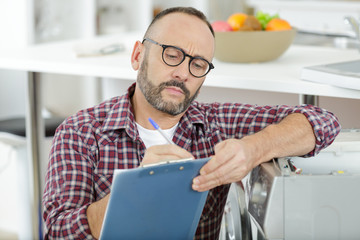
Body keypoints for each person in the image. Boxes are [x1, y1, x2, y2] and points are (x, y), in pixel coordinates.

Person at [42, 6, 340, 240]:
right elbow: (57, 231)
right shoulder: (80, 132)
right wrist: (135, 192)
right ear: (137, 55)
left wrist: (253, 149)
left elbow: (322, 122)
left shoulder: (217, 124)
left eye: (197, 64)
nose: (183, 72)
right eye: (172, 55)